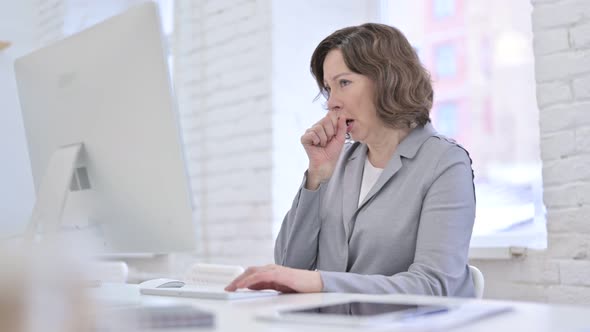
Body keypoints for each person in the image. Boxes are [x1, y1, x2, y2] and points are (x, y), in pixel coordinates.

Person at [225, 23, 476, 297]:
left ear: (389, 80)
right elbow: (289, 267)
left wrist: (322, 283)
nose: (332, 102)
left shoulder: (445, 163)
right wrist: (316, 176)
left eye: (344, 83)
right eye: (328, 88)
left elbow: (433, 286)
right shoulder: (338, 162)